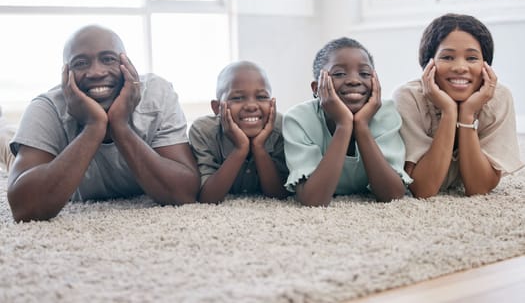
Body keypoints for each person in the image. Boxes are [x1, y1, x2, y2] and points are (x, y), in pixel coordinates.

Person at [6, 25, 200, 222]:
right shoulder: (47, 107)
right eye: (81, 63)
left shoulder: (157, 94)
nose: (96, 72)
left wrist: (120, 127)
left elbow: (184, 193)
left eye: (108, 59)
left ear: (127, 64)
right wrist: (94, 127)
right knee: (7, 143)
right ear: (66, 73)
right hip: (35, 144)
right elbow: (24, 208)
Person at [393, 13, 524, 198]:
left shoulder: (498, 97)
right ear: (428, 64)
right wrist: (448, 112)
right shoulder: (409, 98)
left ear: (486, 66)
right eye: (447, 57)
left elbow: (479, 188)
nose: (460, 67)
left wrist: (467, 114)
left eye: (472, 58)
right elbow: (423, 189)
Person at [283, 37, 411, 206]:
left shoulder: (385, 113)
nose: (354, 80)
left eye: (364, 74)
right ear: (316, 88)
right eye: (339, 74)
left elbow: (392, 195)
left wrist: (362, 126)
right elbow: (313, 200)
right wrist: (344, 125)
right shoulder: (298, 119)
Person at [188, 60, 289, 203]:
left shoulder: (281, 127)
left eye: (261, 97)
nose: (251, 106)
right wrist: (240, 148)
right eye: (237, 98)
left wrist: (259, 148)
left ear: (272, 102)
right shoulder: (203, 132)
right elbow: (208, 198)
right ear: (217, 108)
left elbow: (279, 195)